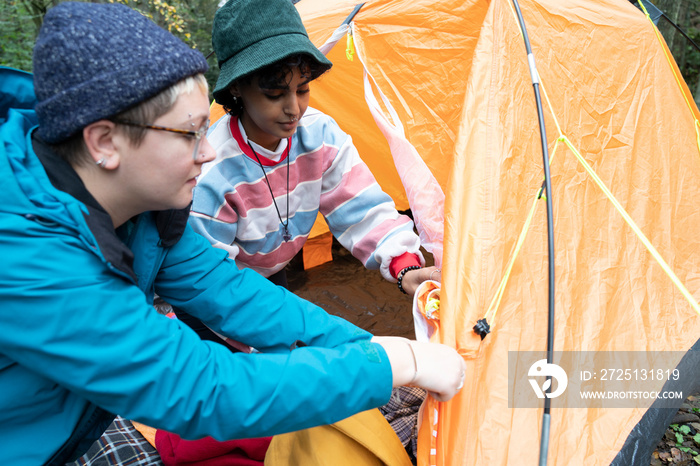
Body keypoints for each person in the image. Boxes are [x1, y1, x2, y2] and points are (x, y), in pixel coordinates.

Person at [0, 3, 465, 465]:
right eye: (188, 134)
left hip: (74, 420)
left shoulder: (148, 212)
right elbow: (196, 387)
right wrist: (392, 366)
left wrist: (367, 348)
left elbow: (234, 293)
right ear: (104, 143)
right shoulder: (28, 259)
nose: (206, 153)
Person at [189, 0, 441, 297]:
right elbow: (212, 285)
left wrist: (405, 268)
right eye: (275, 94)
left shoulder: (318, 135)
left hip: (268, 272)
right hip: (213, 289)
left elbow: (363, 208)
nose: (294, 109)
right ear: (236, 88)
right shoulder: (212, 173)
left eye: (303, 89)